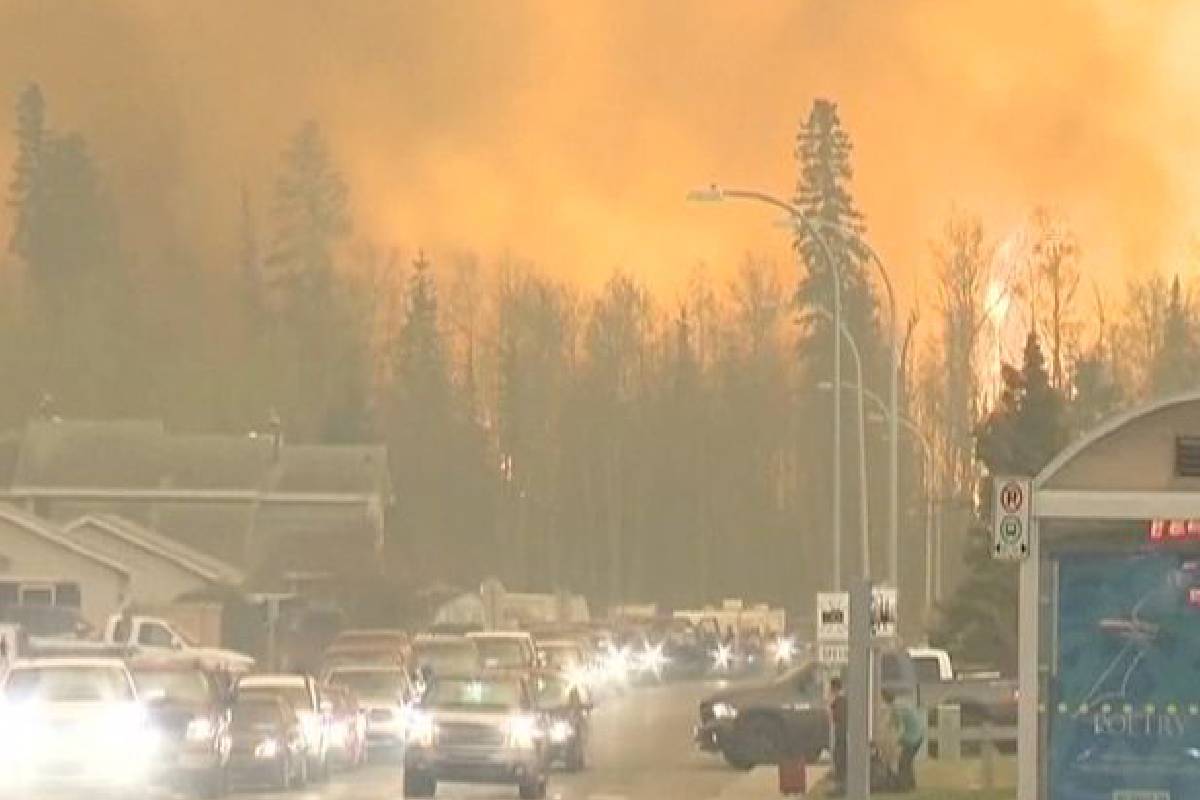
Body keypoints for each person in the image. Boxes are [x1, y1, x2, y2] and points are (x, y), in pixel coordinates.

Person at [883, 689, 926, 791]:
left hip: (912, 737)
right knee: (907, 761)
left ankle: (904, 786)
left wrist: (896, 741)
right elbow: (892, 722)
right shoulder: (900, 704)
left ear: (884, 699)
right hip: (918, 735)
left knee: (903, 762)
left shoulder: (896, 708)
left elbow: (899, 727)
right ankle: (911, 784)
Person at [829, 677, 847, 789]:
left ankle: (841, 779)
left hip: (841, 731)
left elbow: (838, 717)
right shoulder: (841, 699)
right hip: (841, 731)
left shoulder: (840, 700)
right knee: (839, 754)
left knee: (839, 755)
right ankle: (840, 778)